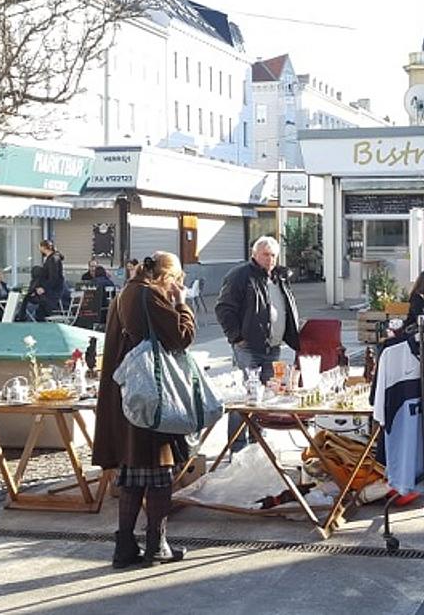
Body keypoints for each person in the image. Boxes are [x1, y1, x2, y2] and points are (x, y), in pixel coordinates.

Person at [93, 253, 194, 569]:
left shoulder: (126, 292)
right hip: (150, 399)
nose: (178, 286)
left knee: (133, 475)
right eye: (177, 280)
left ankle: (124, 547)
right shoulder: (150, 295)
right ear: (168, 277)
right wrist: (182, 304)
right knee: (159, 475)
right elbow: (182, 337)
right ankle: (156, 545)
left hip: (127, 399)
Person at [216, 236, 301, 449]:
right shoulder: (240, 275)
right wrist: (237, 336)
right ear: (254, 254)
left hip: (272, 346)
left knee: (265, 397)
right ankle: (237, 447)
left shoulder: (278, 277)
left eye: (273, 255)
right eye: (265, 254)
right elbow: (224, 308)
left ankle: (257, 443)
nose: (270, 259)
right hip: (248, 346)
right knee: (246, 397)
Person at [38, 239, 68, 314]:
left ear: (44, 247)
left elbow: (53, 277)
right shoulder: (53, 258)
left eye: (40, 247)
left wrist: (44, 288)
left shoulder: (53, 259)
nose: (39, 250)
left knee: (43, 311)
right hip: (53, 289)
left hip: (53, 291)